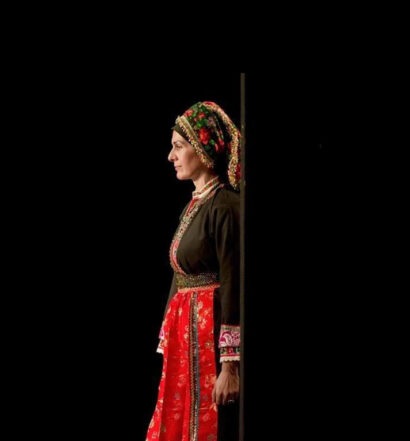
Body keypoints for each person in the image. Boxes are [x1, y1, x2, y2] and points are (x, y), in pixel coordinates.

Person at [146, 101, 241, 441]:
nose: (171, 156)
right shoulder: (195, 205)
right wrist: (168, 338)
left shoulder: (225, 206)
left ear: (202, 149)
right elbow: (180, 274)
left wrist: (230, 366)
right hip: (185, 339)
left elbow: (233, 283)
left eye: (178, 146)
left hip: (208, 336)